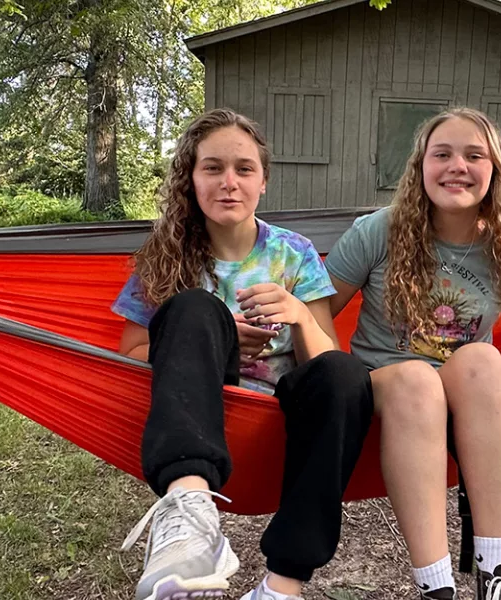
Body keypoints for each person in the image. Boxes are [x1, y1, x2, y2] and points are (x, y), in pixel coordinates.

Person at [114, 108, 374, 600]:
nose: (228, 182)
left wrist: (298, 313)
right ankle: (190, 517)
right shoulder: (163, 255)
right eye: (212, 168)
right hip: (204, 415)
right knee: (194, 307)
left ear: (263, 181)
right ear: (190, 179)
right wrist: (216, 340)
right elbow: (130, 354)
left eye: (243, 169)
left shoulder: (294, 252)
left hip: (285, 417)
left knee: (346, 373)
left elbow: (328, 360)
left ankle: (281, 587)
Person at [325, 107, 501, 600]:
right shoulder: (377, 231)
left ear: (495, 171)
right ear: (420, 168)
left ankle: (497, 578)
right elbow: (318, 308)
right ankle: (436, 588)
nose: (456, 166)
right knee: (417, 378)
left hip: (467, 393)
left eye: (473, 155)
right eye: (441, 154)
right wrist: (331, 379)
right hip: (387, 386)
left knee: (484, 360)